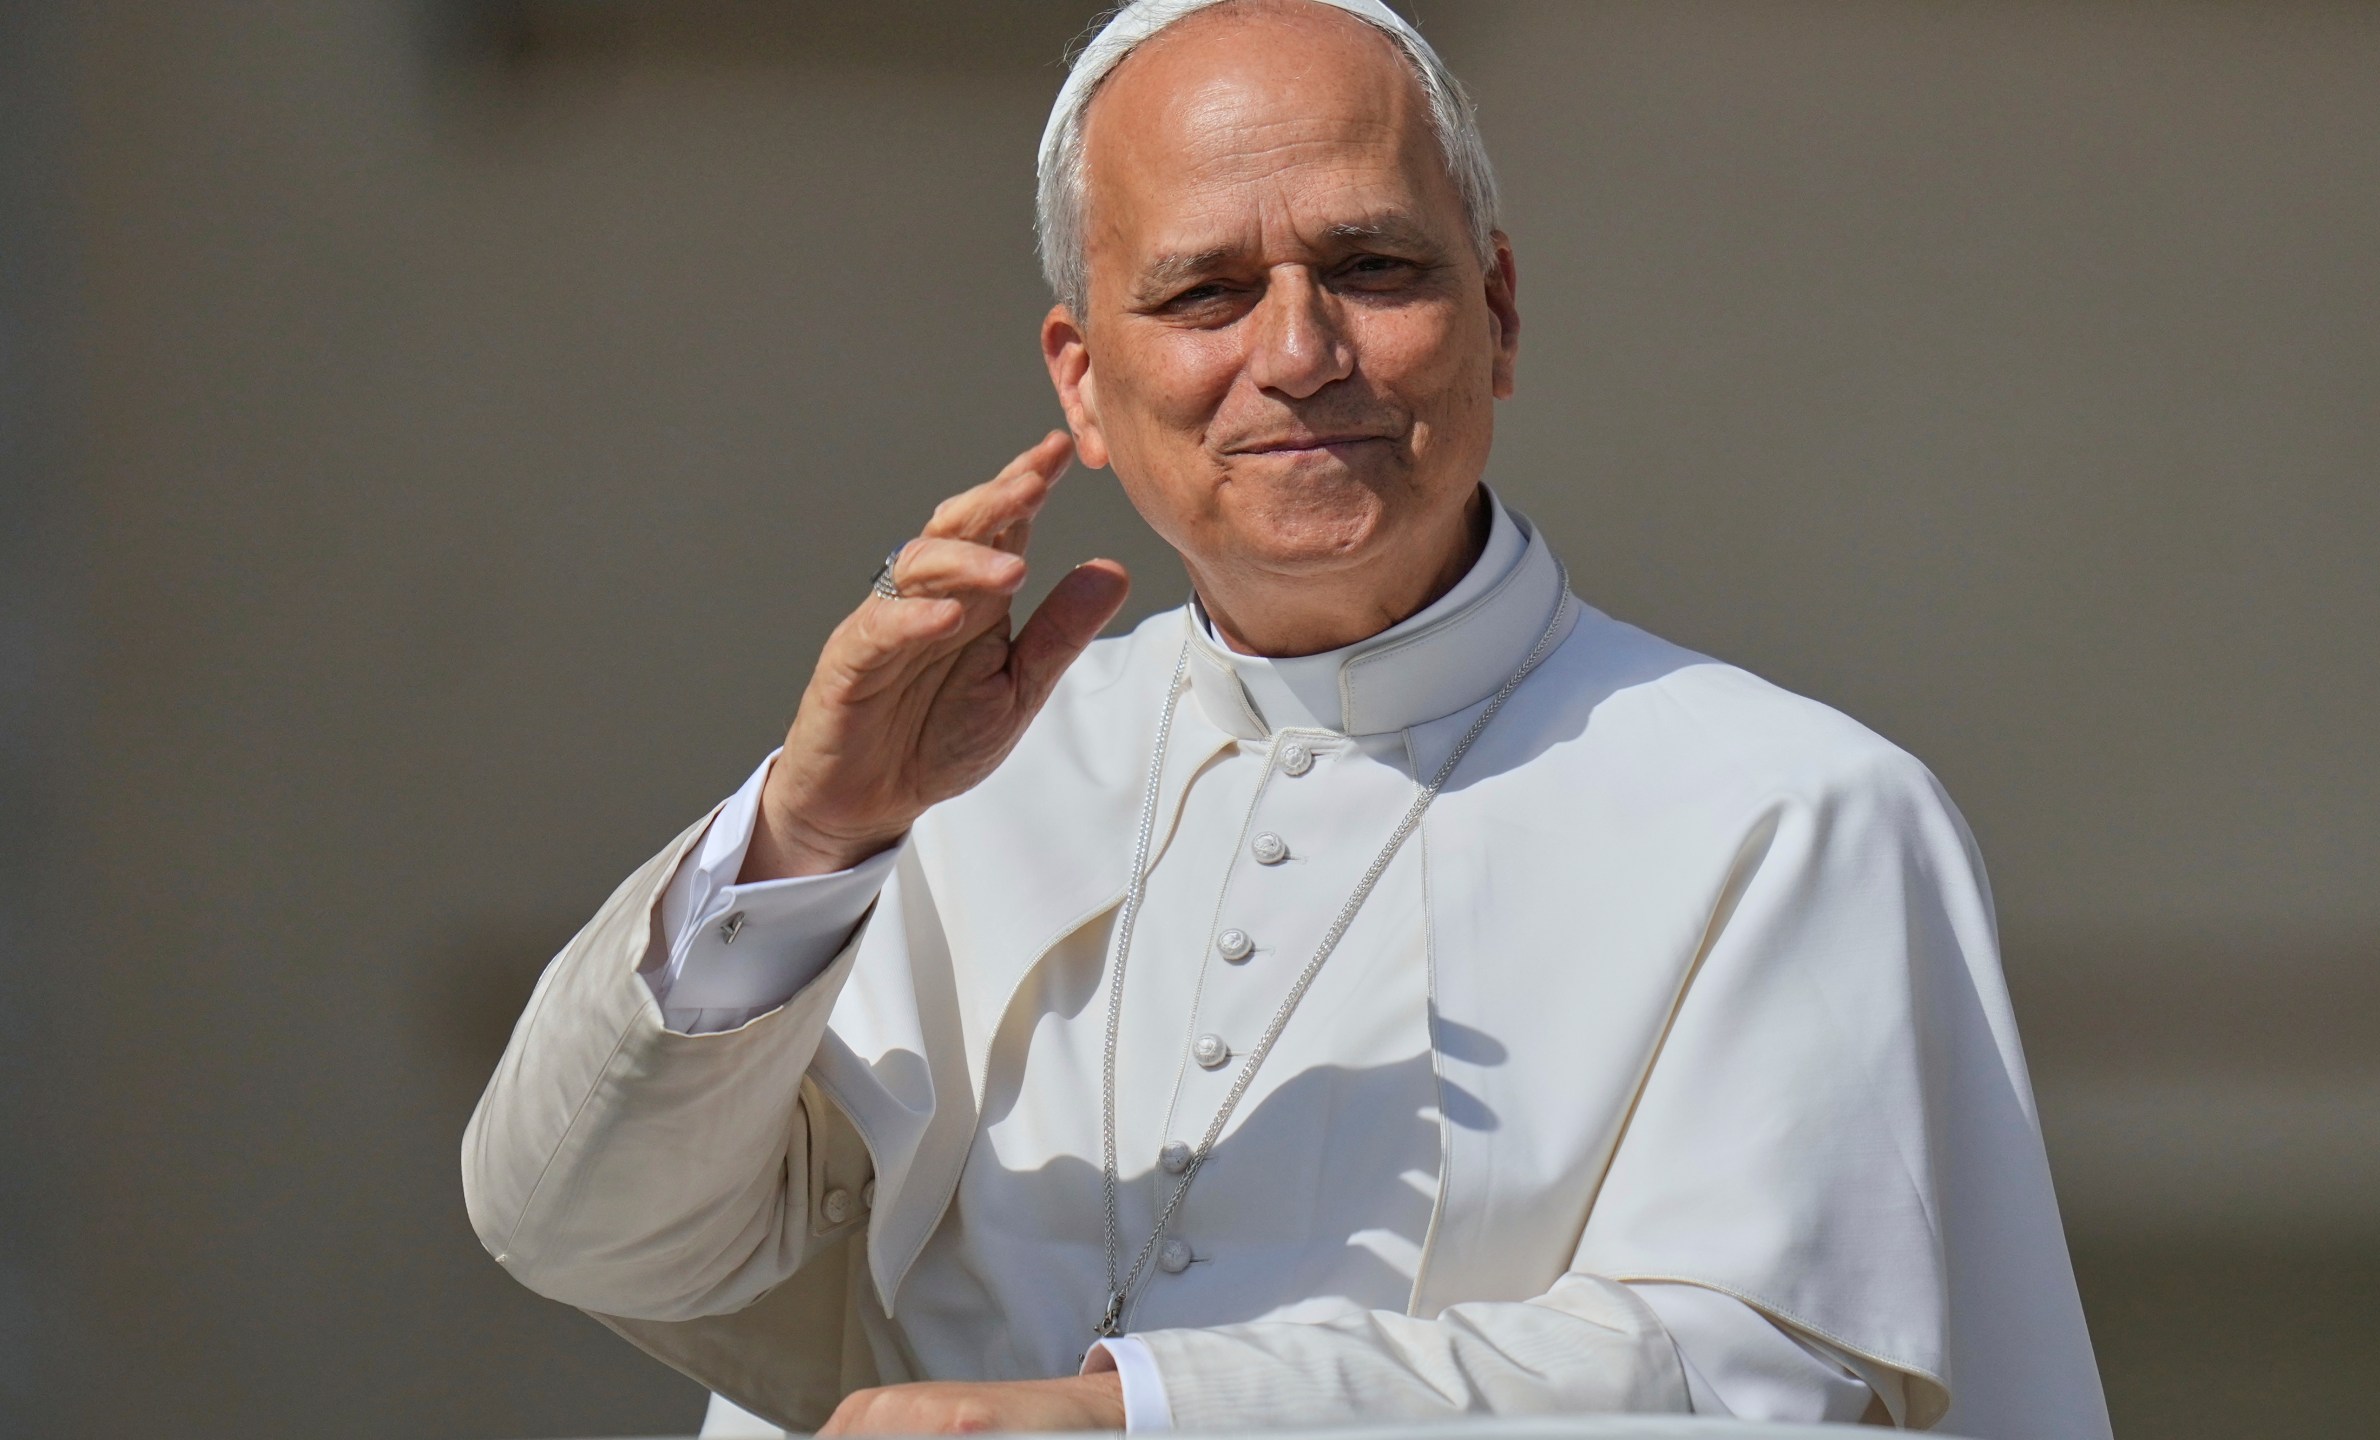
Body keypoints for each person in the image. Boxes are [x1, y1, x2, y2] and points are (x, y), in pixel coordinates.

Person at [461, 1, 2111, 1435]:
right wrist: (812, 836)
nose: (1300, 351)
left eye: (1374, 267)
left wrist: (1142, 1416)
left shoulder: (1789, 810)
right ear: (1084, 383)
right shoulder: (953, 789)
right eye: (1203, 296)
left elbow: (1759, 1385)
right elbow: (582, 1234)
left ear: (1501, 313)